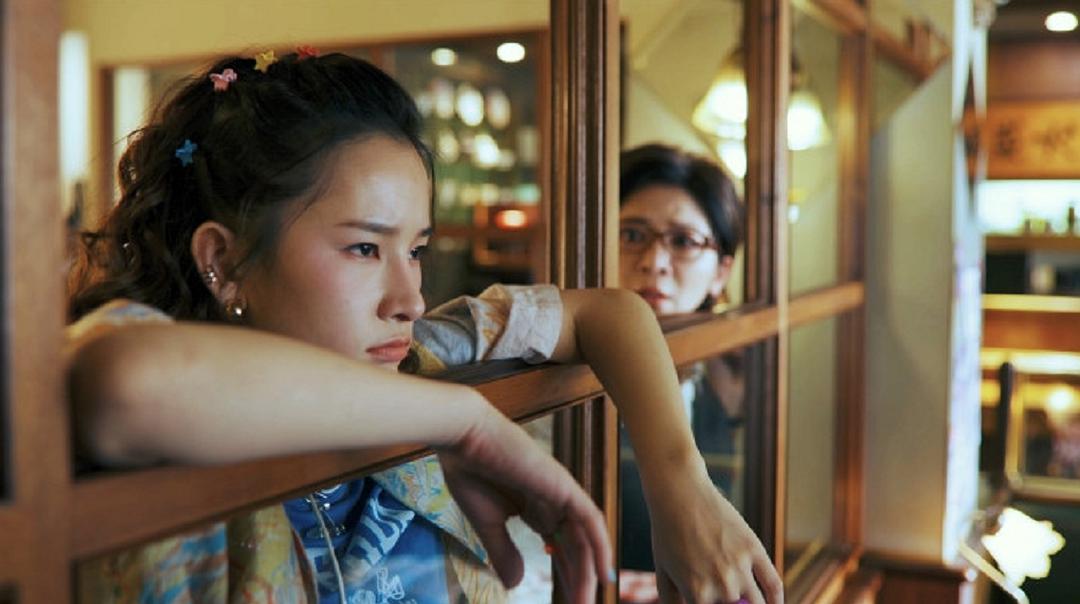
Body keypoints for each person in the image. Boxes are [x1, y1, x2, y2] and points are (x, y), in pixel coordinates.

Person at [67, 52, 781, 604]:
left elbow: (608, 311)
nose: (409, 299)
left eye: (415, 251)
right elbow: (129, 386)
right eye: (364, 249)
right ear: (222, 262)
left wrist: (681, 485)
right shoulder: (151, 360)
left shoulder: (420, 358)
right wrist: (464, 420)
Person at [617, 143, 753, 586]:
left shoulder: (741, 377)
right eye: (631, 235)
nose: (654, 263)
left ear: (721, 272)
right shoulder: (557, 373)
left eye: (683, 242)